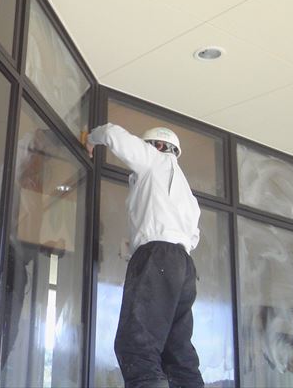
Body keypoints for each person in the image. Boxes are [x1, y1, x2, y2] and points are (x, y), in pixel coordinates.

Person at [87, 123, 204, 388]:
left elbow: (113, 133)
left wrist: (91, 139)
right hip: (184, 264)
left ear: (158, 146)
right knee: (178, 352)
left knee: (136, 344)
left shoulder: (153, 160)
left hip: (157, 255)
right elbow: (192, 236)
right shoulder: (187, 193)